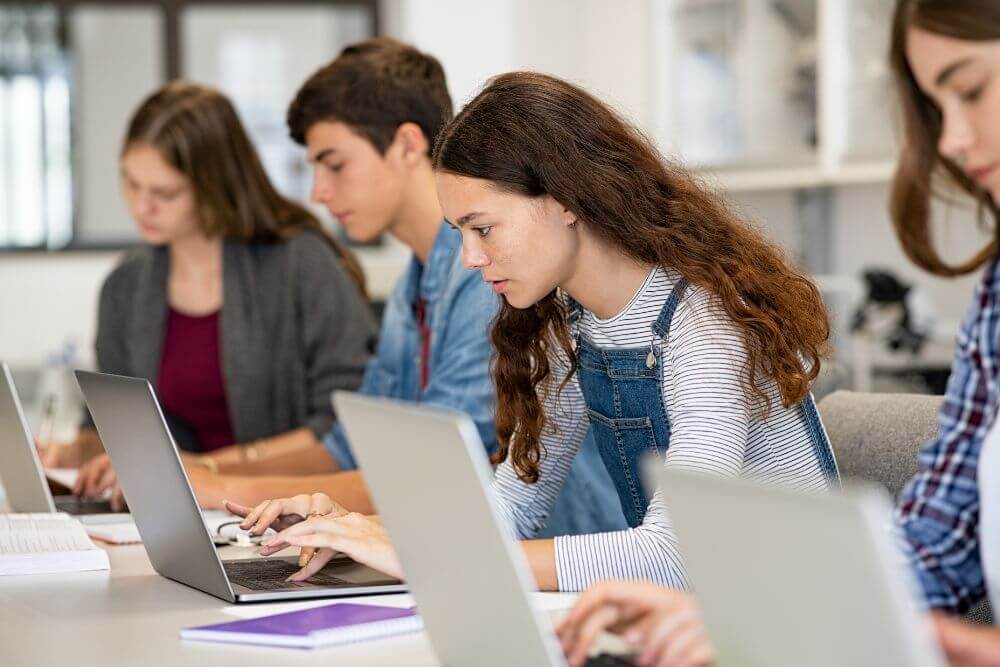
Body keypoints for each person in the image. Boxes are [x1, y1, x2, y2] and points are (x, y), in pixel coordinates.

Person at [231, 69, 840, 597]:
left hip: (802, 620)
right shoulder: (565, 324)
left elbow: (673, 555)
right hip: (696, 617)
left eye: (483, 228)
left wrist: (428, 559)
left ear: (566, 200)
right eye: (459, 232)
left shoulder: (705, 323)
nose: (469, 257)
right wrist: (360, 532)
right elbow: (513, 508)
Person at [559, 2, 1000, 665]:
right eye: (939, 109)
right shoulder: (995, 298)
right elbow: (935, 544)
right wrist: (750, 615)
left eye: (971, 90)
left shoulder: (696, 321)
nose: (953, 142)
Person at [199, 38, 626, 539]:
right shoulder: (416, 281)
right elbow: (354, 446)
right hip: (477, 543)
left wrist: (216, 486)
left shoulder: (493, 274)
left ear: (406, 143)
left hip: (559, 557)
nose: (318, 192)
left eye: (334, 164)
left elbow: (441, 471)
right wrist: (211, 471)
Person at [39, 81, 376, 509]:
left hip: (287, 513)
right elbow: (111, 420)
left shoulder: (302, 264)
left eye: (164, 193)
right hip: (182, 511)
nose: (142, 207)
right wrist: (70, 453)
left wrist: (204, 470)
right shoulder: (127, 285)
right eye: (131, 184)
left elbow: (343, 422)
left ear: (214, 187)